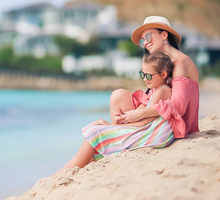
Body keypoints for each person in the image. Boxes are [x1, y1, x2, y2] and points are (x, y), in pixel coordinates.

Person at [53, 16, 200, 175]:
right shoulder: (163, 65)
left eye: (149, 36)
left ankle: (109, 143)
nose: (146, 43)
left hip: (169, 128)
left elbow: (178, 105)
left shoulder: (181, 61)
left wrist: (139, 113)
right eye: (143, 40)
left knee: (96, 134)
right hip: (157, 120)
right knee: (118, 95)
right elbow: (152, 97)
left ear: (164, 35)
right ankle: (113, 141)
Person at [54, 51, 175, 175]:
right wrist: (123, 119)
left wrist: (110, 126)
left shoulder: (162, 92)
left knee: (95, 132)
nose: (145, 79)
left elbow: (143, 123)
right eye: (142, 74)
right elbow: (142, 115)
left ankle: (65, 172)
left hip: (150, 135)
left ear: (163, 74)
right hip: (147, 131)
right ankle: (59, 174)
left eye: (148, 76)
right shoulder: (156, 90)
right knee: (95, 133)